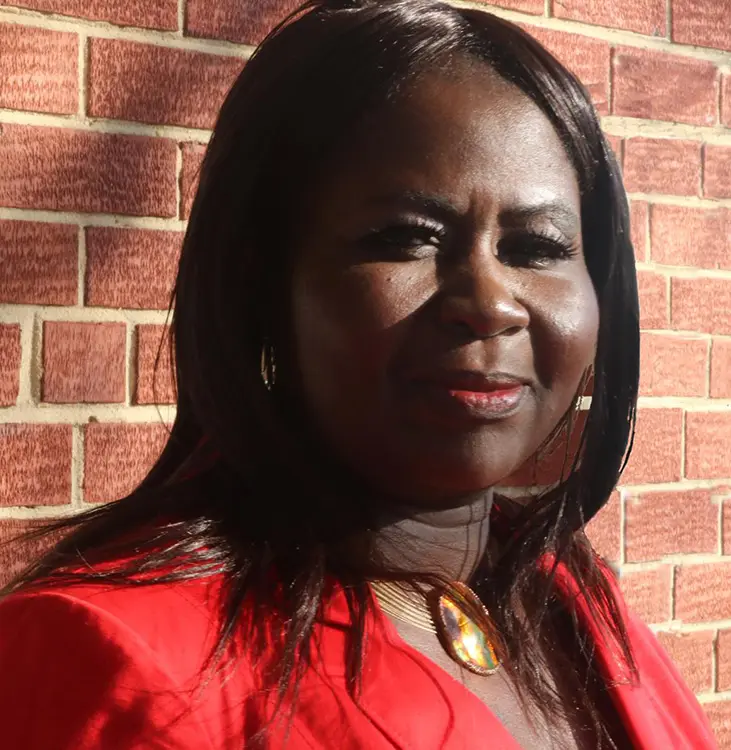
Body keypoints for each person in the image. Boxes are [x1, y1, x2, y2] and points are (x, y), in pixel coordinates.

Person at [0, 0, 718, 748]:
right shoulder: (111, 661)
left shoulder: (573, 599)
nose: (487, 304)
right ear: (261, 281)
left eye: (535, 247)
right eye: (404, 239)